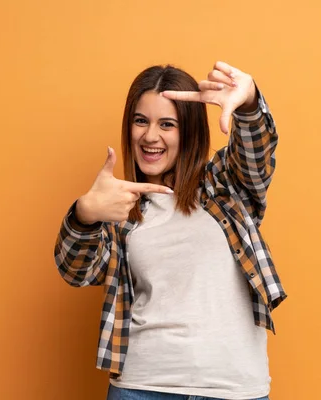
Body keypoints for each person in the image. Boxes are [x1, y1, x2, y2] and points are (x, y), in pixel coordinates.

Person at [54, 61, 287, 400]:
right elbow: (76, 271)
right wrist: (84, 214)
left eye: (168, 124)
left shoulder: (224, 187)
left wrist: (250, 102)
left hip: (235, 389)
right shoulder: (121, 210)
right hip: (142, 388)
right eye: (140, 121)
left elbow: (256, 153)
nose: (150, 136)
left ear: (189, 131)